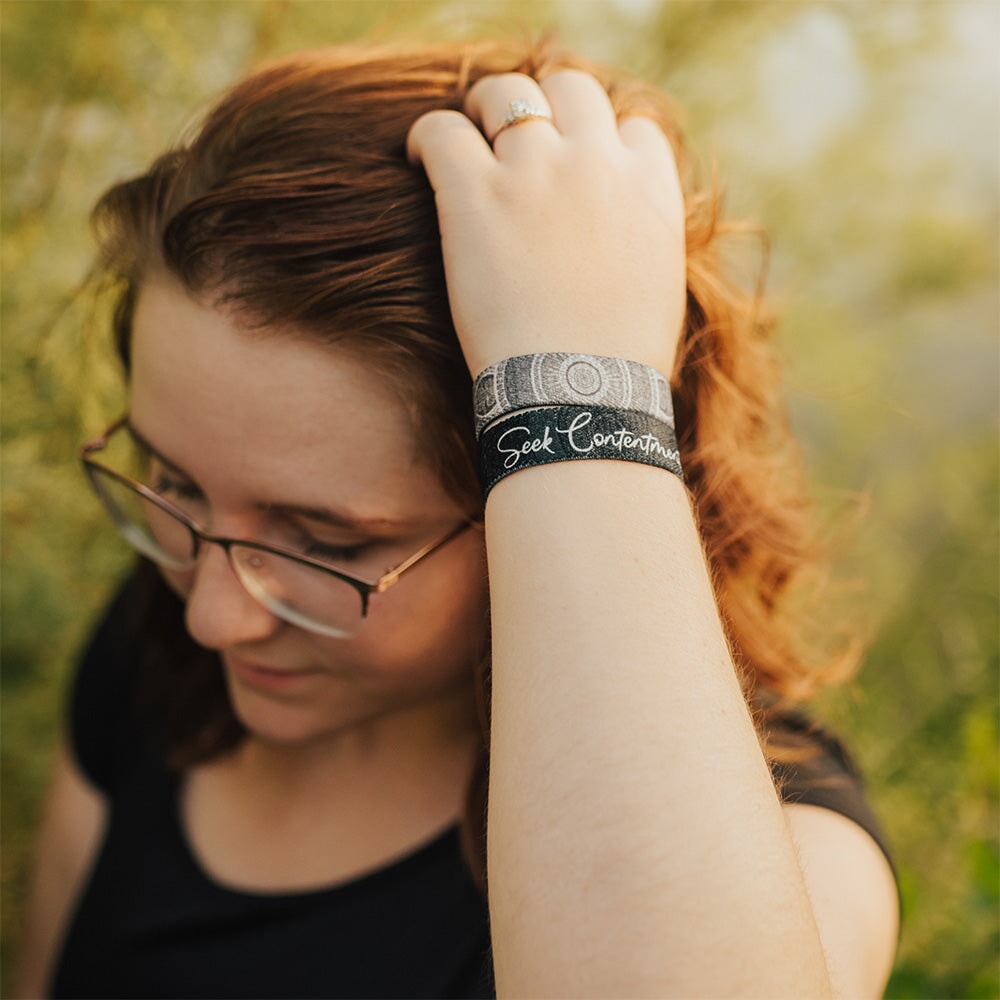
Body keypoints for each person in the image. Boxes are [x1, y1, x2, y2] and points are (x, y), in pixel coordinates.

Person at [15, 37, 899, 999]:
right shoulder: (163, 647)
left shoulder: (788, 847)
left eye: (327, 543)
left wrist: (575, 384)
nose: (213, 618)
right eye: (174, 484)